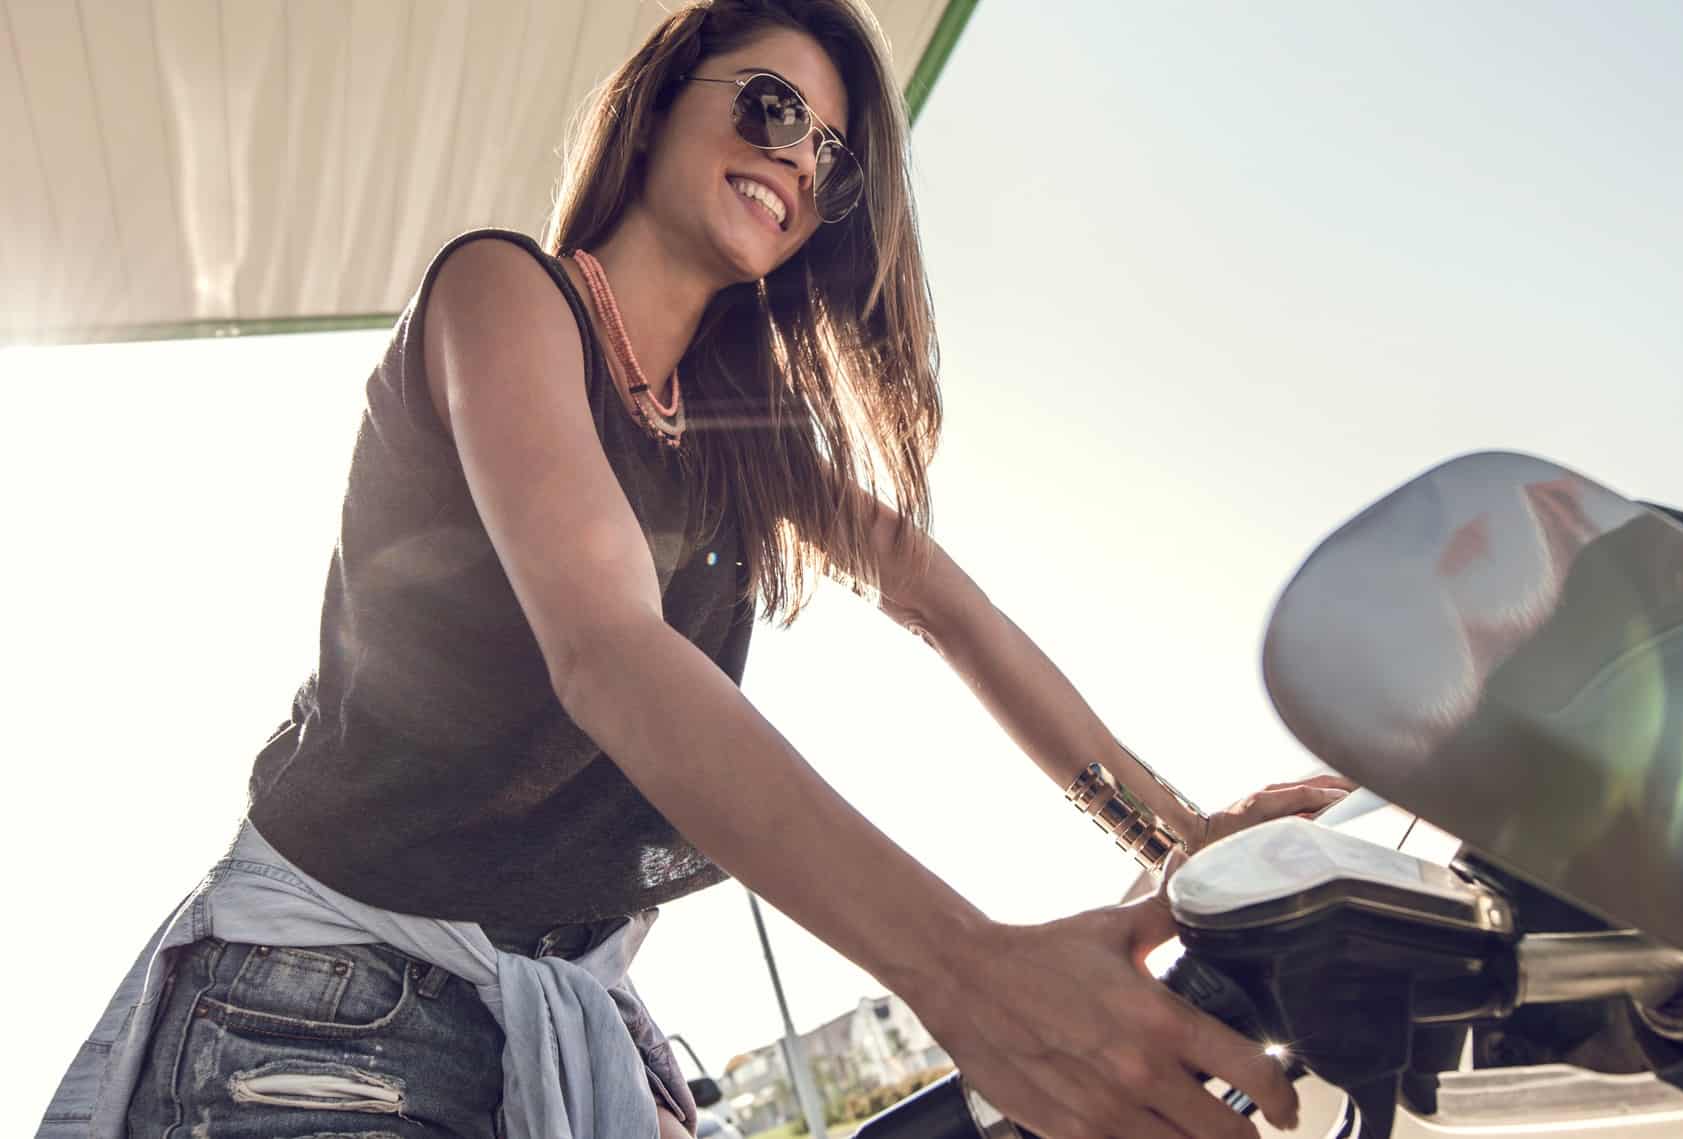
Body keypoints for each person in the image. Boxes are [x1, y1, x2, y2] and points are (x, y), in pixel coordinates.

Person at [41, 3, 1349, 1137]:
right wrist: (967, 972)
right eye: (773, 107)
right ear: (663, 98)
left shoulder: (745, 448)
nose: (794, 157)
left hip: (561, 1017)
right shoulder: (504, 296)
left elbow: (954, 612)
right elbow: (607, 653)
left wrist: (1174, 838)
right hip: (325, 998)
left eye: (831, 159)